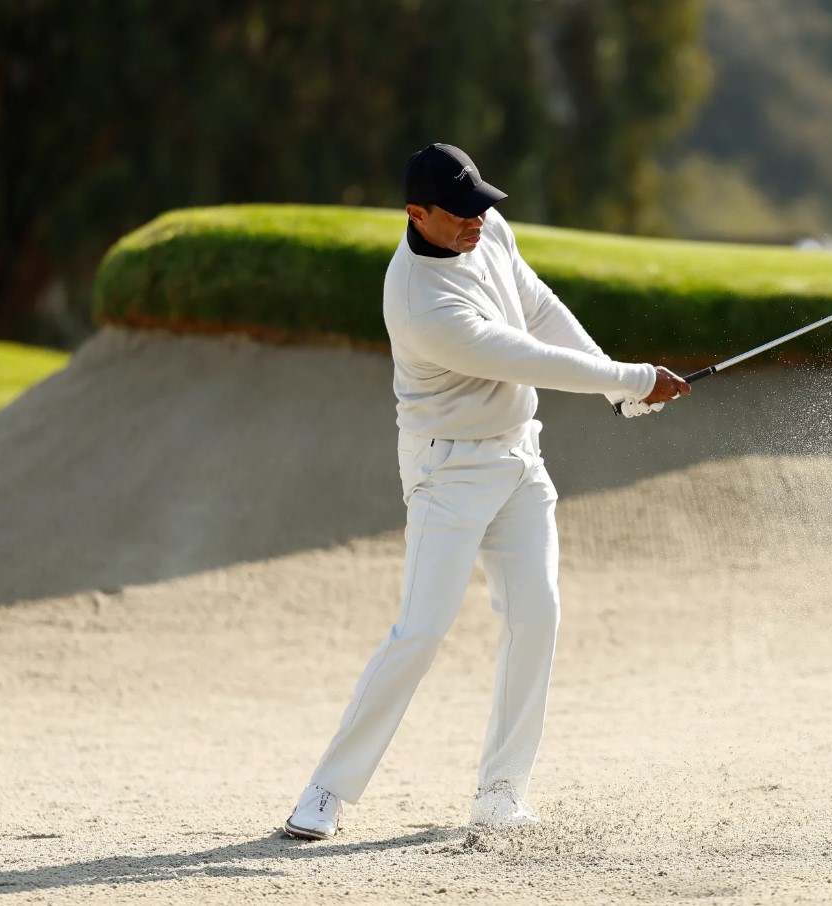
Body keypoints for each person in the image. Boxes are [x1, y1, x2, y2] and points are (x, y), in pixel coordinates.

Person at [283, 143, 689, 840]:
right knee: (422, 630)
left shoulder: (487, 229)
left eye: (480, 205)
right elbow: (518, 354)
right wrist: (627, 380)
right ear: (417, 214)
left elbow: (535, 304)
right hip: (449, 473)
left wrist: (609, 382)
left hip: (518, 459)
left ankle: (500, 791)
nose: (478, 220)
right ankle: (326, 790)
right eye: (460, 210)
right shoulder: (420, 303)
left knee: (537, 615)